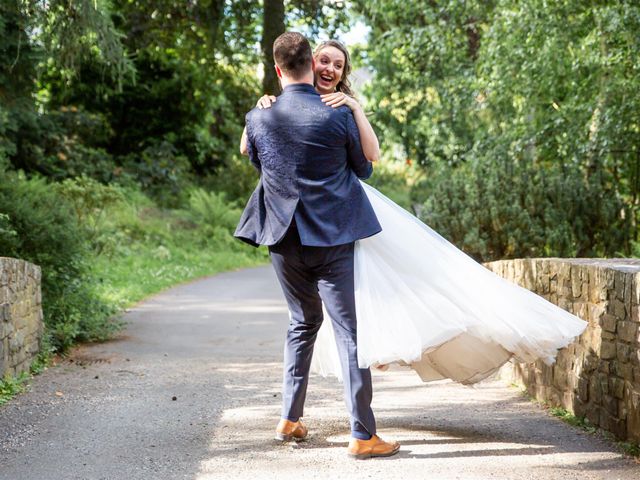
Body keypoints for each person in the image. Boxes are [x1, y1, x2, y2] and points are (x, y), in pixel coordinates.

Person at [244, 38, 587, 387]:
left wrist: (356, 109)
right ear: (308, 62)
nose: (331, 69)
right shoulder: (273, 108)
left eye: (339, 65)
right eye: (325, 61)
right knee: (350, 298)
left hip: (345, 211)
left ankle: (456, 334)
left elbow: (370, 160)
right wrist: (265, 104)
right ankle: (360, 391)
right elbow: (258, 146)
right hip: (309, 221)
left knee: (407, 279)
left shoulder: (343, 109)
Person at [234, 32, 400, 459]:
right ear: (312, 63)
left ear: (277, 70)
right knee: (348, 334)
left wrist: (262, 109)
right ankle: (363, 435)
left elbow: (255, 158)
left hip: (282, 239)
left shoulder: (258, 116)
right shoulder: (337, 116)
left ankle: (290, 418)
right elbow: (363, 170)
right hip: (331, 237)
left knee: (301, 323)